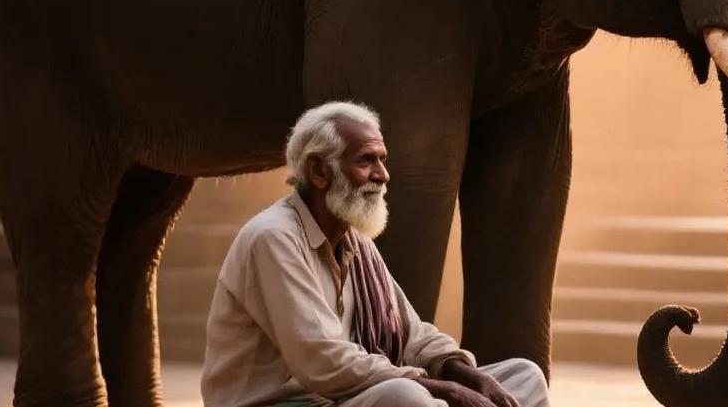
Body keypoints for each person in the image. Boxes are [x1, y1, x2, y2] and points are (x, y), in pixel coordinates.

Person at [201, 101, 550, 407]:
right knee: (406, 398)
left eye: (382, 160)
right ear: (319, 171)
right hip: (289, 402)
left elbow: (412, 334)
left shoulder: (354, 241)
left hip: (342, 397)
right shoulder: (273, 238)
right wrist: (438, 388)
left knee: (523, 377)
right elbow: (324, 362)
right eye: (366, 161)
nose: (383, 175)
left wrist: (463, 374)